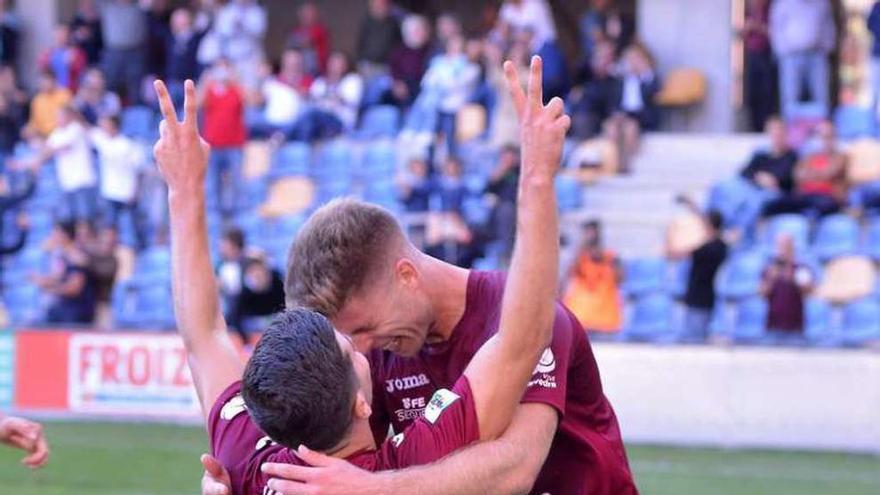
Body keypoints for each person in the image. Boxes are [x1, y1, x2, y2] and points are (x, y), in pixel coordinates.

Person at [204, 58, 636, 495]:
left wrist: (368, 490)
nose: (363, 349)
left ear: (406, 275)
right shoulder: (373, 357)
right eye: (351, 341)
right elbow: (330, 451)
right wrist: (240, 481)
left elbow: (515, 469)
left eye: (365, 329)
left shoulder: (531, 317)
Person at [667, 198, 728, 341]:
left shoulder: (705, 249)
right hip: (708, 295)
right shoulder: (722, 246)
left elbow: (673, 254)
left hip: (697, 296)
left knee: (694, 339)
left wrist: (671, 231)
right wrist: (692, 205)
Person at [761, 120, 846, 218]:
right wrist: (819, 175)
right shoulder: (810, 157)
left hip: (826, 196)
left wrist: (810, 173)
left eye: (829, 136)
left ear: (835, 138)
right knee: (772, 205)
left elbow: (830, 173)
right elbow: (797, 175)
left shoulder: (840, 157)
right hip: (805, 195)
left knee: (824, 206)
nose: (825, 140)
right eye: (822, 136)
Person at [28, 105, 97, 223]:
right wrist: (37, 161)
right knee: (71, 219)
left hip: (82, 181)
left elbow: (60, 147)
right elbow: (47, 150)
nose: (57, 119)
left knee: (85, 218)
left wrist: (42, 149)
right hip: (67, 182)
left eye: (60, 117)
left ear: (68, 117)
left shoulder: (76, 129)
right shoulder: (57, 133)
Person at [769, 0, 836, 120]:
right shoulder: (783, 3)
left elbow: (828, 26)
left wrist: (827, 48)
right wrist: (783, 52)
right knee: (790, 97)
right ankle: (790, 130)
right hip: (791, 56)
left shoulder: (821, 3)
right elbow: (776, 28)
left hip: (816, 55)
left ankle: (823, 130)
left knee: (821, 96)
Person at [89, 114, 148, 248]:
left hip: (128, 192)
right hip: (109, 192)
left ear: (114, 126)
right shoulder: (102, 140)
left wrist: (136, 191)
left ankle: (140, 249)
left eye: (106, 124)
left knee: (135, 226)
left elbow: (139, 170)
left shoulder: (128, 145)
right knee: (110, 226)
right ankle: (114, 253)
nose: (103, 127)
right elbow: (85, 127)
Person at [199, 60, 246, 217]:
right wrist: (206, 82)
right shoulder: (210, 91)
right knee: (212, 187)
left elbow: (250, 101)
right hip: (213, 147)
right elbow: (198, 104)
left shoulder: (236, 90)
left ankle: (236, 219)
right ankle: (214, 221)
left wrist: (237, 80)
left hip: (234, 146)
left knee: (236, 186)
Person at [605, 43, 660, 173]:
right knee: (611, 127)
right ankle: (613, 162)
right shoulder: (621, 81)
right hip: (622, 114)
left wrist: (643, 73)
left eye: (635, 59)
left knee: (630, 128)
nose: (631, 63)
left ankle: (625, 165)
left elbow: (652, 95)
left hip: (641, 116)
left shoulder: (650, 78)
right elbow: (613, 101)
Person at [563, 220, 623, 333]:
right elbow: (570, 274)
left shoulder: (612, 257)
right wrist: (580, 252)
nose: (590, 237)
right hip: (581, 320)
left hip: (605, 321)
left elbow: (620, 279)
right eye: (586, 233)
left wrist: (607, 262)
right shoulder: (579, 258)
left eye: (592, 233)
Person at [31, 221, 96, 325]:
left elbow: (74, 288)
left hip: (76, 312)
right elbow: (59, 277)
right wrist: (42, 280)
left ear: (65, 236)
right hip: (64, 308)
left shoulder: (77, 257)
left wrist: (51, 290)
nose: (53, 236)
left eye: (56, 233)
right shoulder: (64, 255)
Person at [299, 51, 363, 140]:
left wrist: (329, 94)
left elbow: (350, 100)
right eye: (332, 63)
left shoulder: (352, 80)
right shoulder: (320, 82)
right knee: (304, 112)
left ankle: (282, 136)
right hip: (318, 121)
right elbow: (312, 100)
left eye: (338, 63)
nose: (334, 66)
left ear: (345, 66)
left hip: (341, 123)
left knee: (312, 112)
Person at [761, 234, 814, 340]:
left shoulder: (801, 269)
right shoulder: (770, 269)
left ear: (792, 247)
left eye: (785, 246)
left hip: (794, 328)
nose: (782, 250)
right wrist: (771, 279)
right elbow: (762, 293)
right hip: (773, 326)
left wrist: (793, 279)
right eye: (780, 246)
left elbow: (809, 291)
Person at [98, 0, 148, 103]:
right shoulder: (107, 6)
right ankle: (109, 113)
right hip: (113, 51)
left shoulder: (140, 7)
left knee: (135, 87)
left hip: (134, 52)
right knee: (109, 84)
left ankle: (136, 115)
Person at [211, 0, 266, 90]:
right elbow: (221, 33)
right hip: (229, 60)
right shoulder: (227, 10)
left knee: (249, 89)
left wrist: (243, 23)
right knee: (227, 90)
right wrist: (234, 24)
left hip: (249, 60)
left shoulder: (256, 11)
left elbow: (259, 32)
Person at [234, 252, 285, 343]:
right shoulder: (243, 296)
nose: (257, 274)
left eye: (259, 270)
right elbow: (236, 323)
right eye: (252, 272)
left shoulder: (280, 286)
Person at [742, 0, 776, 132]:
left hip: (767, 54)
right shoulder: (749, 12)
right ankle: (754, 128)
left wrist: (759, 27)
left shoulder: (771, 10)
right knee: (753, 94)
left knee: (767, 94)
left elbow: (777, 32)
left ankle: (766, 128)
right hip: (752, 55)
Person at [388, 14, 432, 107]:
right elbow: (393, 70)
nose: (421, 34)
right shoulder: (399, 52)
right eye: (416, 31)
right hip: (405, 88)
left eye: (422, 30)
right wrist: (397, 83)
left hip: (424, 89)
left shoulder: (432, 51)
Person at [86, 226, 120, 329]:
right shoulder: (91, 256)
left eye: (111, 239)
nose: (108, 241)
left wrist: (86, 264)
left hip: (103, 304)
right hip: (86, 304)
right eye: (105, 238)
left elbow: (104, 273)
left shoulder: (113, 260)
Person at [38, 25, 88, 93]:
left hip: (71, 91)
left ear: (68, 36)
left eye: (63, 34)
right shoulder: (47, 54)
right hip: (52, 92)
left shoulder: (77, 53)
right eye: (58, 34)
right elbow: (42, 70)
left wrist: (72, 64)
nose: (60, 36)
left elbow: (81, 74)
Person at [356, 0, 400, 75]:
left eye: (382, 5)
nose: (379, 8)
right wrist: (360, 60)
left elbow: (398, 45)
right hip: (367, 64)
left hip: (386, 66)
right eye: (376, 5)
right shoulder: (367, 22)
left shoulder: (394, 24)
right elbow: (360, 43)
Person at [23, 72, 72, 138]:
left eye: (46, 80)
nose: (43, 83)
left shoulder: (64, 95)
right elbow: (34, 123)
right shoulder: (37, 100)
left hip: (63, 133)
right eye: (41, 81)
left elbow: (71, 118)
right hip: (43, 136)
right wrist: (28, 130)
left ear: (54, 80)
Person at [216, 227, 246, 333]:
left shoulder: (248, 264)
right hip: (227, 316)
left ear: (234, 246)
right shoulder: (219, 266)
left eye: (224, 244)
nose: (221, 247)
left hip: (244, 316)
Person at [288, 2, 330, 76]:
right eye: (304, 13)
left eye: (310, 13)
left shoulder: (319, 30)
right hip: (298, 71)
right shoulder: (296, 30)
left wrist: (296, 42)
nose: (307, 16)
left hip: (316, 72)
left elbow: (306, 42)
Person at [70, 0, 103, 67]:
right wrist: (80, 34)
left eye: (89, 4)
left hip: (96, 58)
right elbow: (71, 38)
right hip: (80, 59)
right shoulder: (77, 20)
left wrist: (90, 34)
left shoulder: (98, 21)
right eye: (84, 4)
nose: (87, 7)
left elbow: (102, 39)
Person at [868, 1, 880, 130]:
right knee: (875, 92)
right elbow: (870, 25)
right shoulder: (877, 7)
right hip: (877, 55)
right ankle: (873, 127)